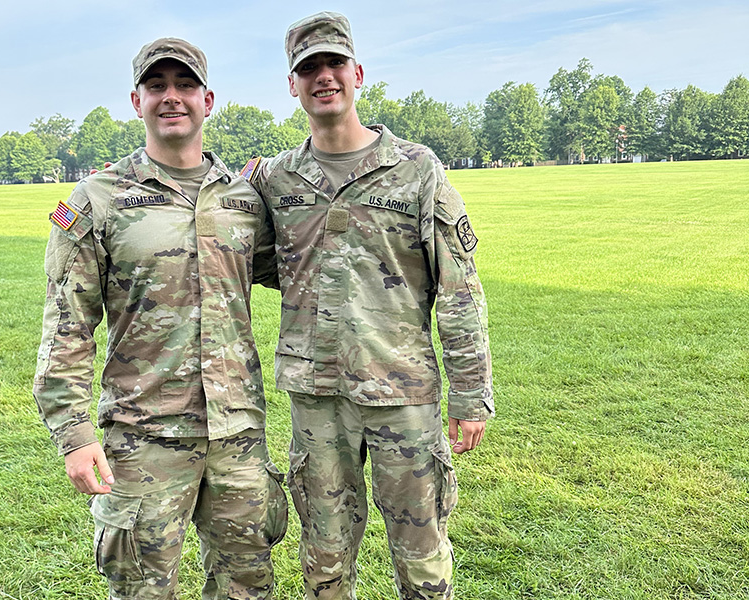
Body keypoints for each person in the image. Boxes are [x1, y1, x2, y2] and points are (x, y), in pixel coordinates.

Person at [242, 12, 494, 600]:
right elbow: (248, 255)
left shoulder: (416, 170)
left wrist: (470, 393)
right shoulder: (278, 180)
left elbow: (459, 287)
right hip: (317, 398)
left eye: (333, 65)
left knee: (423, 555)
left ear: (357, 73)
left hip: (402, 394)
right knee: (324, 557)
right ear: (292, 85)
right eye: (309, 69)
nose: (323, 78)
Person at [33, 37, 286, 600]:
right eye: (157, 86)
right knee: (144, 590)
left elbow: (303, 271)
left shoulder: (244, 198)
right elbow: (67, 324)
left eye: (185, 85)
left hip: (238, 435)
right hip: (144, 438)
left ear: (208, 98)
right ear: (136, 99)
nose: (172, 97)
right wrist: (74, 434)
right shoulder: (98, 200)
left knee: (247, 586)